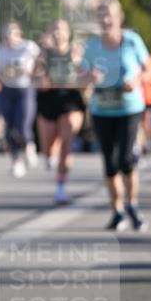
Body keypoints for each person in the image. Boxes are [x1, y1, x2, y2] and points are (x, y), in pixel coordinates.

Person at [80, 0, 150, 231]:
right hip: (102, 109)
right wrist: (90, 78)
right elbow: (81, 76)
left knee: (126, 159)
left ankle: (133, 205)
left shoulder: (132, 41)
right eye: (101, 15)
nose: (106, 20)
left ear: (119, 18)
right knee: (109, 162)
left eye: (109, 15)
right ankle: (117, 210)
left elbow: (148, 69)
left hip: (129, 107)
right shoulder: (92, 46)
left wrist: (135, 80)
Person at [34, 18, 86, 204]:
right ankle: (49, 155)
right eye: (54, 30)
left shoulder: (76, 52)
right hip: (49, 102)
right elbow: (38, 80)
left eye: (61, 30)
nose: (58, 33)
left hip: (70, 100)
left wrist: (82, 77)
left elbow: (85, 77)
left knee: (67, 140)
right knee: (48, 148)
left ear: (68, 33)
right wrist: (41, 78)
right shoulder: (43, 55)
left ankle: (61, 186)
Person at [0, 22, 40, 178]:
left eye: (12, 32)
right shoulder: (0, 51)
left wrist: (29, 71)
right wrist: (3, 75)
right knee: (10, 128)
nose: (9, 36)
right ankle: (16, 160)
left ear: (20, 33)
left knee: (23, 125)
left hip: (24, 89)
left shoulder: (29, 47)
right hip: (6, 91)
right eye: (6, 32)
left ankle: (29, 146)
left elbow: (42, 63)